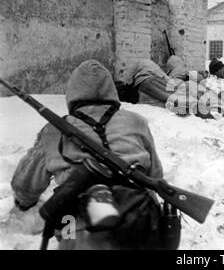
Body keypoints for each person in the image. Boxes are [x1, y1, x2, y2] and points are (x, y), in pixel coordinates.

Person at [10, 60, 165, 249]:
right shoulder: (136, 122)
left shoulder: (53, 131)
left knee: (68, 235)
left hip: (75, 225)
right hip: (137, 220)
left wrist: (23, 203)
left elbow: (26, 185)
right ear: (111, 91)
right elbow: (155, 175)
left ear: (72, 93)